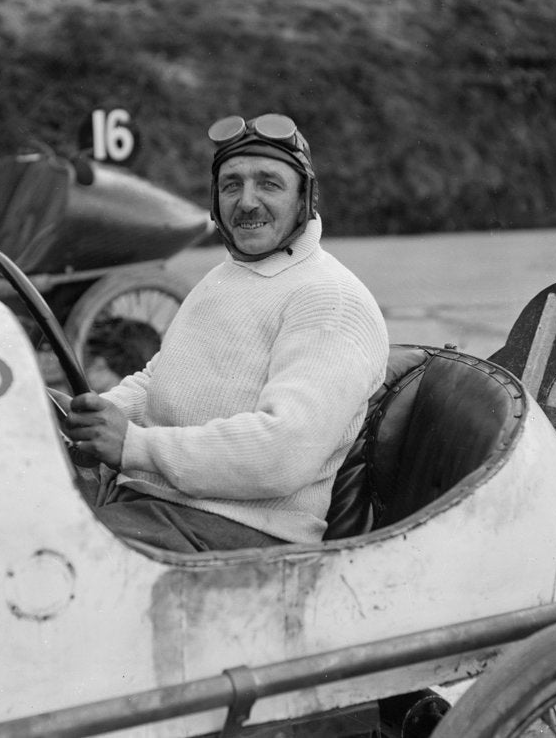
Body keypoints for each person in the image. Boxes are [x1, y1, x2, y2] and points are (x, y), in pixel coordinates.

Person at [60, 113, 389, 552]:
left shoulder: (331, 299)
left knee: (49, 554)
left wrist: (134, 446)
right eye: (232, 185)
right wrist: (90, 417)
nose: (247, 202)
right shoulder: (224, 277)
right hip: (153, 502)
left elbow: (283, 453)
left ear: (304, 199)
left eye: (269, 184)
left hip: (235, 530)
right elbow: (159, 380)